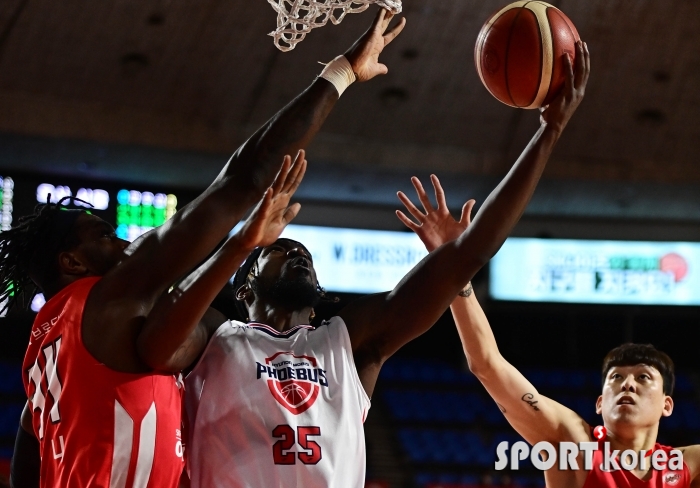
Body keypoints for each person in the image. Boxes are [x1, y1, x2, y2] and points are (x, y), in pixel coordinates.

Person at [136, 41, 590, 488]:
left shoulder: (350, 341)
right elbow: (155, 346)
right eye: (276, 250)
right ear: (244, 287)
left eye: (305, 256)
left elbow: (471, 253)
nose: (297, 255)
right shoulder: (213, 337)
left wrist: (548, 131)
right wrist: (237, 245)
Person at [3, 9, 406, 488]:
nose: (125, 241)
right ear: (73, 262)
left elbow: (29, 450)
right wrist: (339, 73)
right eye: (104, 237)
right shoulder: (109, 296)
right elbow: (244, 177)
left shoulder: (43, 350)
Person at [396, 148, 700, 485]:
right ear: (600, 403)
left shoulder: (688, 464)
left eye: (643, 378)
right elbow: (486, 364)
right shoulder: (572, 443)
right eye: (615, 378)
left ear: (667, 405)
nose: (626, 383)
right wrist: (456, 272)